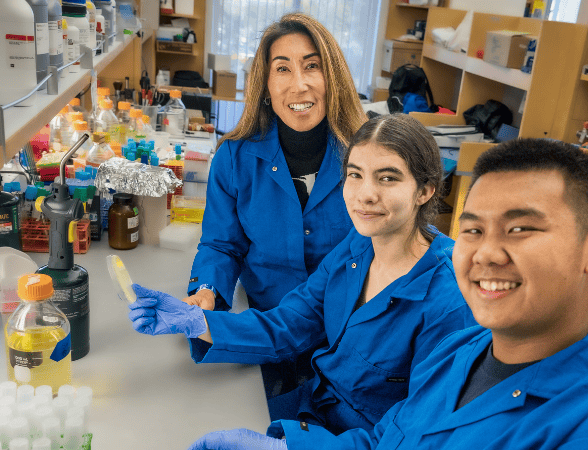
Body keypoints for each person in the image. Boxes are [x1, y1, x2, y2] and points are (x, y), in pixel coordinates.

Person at [186, 138, 588, 450]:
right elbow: (388, 441)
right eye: (473, 230)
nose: (487, 254)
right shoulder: (467, 352)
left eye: (520, 229)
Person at [128, 114, 476, 435]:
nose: (365, 194)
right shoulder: (358, 246)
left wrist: (291, 446)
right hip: (313, 412)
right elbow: (290, 324)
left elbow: (415, 433)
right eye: (355, 174)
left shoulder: (449, 300)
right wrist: (197, 323)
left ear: (426, 190)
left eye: (387, 178)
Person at [176, 13, 367, 419]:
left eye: (312, 66)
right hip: (267, 332)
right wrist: (208, 290)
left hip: (348, 341)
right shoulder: (236, 156)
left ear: (332, 76)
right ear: (265, 85)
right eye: (283, 69)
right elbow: (221, 244)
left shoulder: (367, 158)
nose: (299, 84)